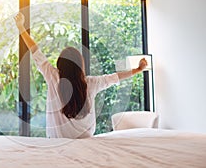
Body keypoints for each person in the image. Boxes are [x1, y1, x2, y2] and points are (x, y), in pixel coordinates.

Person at [14, 12, 147, 139]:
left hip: (57, 142)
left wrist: (21, 28)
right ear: (80, 65)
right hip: (87, 142)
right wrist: (138, 69)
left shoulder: (53, 76)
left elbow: (35, 50)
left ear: (60, 64)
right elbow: (115, 77)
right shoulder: (91, 83)